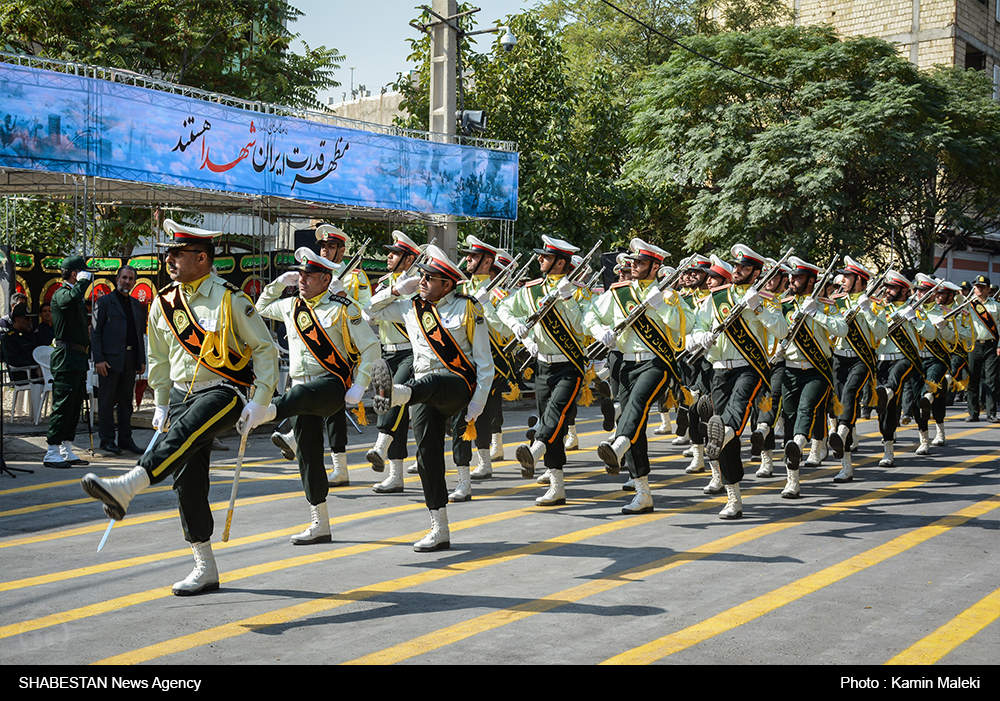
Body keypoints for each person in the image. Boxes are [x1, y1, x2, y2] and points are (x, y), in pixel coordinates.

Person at [81, 219, 279, 595]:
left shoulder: (230, 298)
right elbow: (157, 354)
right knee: (187, 483)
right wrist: (159, 399)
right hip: (183, 397)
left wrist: (261, 399)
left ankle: (128, 485)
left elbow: (265, 348)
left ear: (202, 258)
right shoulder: (164, 301)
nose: (169, 259)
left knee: (183, 433)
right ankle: (204, 567)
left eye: (177, 253)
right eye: (168, 253)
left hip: (226, 390)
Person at [366, 245, 494, 551]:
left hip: (456, 385)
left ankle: (396, 394)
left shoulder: (467, 308)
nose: (422, 281)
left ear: (447, 284)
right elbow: (368, 311)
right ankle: (440, 527)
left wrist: (476, 405)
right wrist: (396, 289)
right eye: (421, 275)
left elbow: (484, 362)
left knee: (433, 381)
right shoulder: (411, 307)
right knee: (427, 456)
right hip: (420, 388)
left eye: (429, 277)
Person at [256, 247, 379, 544]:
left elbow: (371, 347)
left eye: (308, 275)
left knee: (300, 396)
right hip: (299, 388)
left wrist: (360, 386)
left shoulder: (342, 307)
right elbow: (260, 307)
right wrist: (278, 283)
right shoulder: (290, 306)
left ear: (326, 279)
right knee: (309, 456)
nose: (302, 279)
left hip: (330, 384)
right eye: (299, 274)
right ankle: (320, 523)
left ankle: (269, 411)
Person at [587, 238, 683, 514]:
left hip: (655, 363)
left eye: (641, 263)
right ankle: (643, 493)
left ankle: (617, 446)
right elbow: (590, 316)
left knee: (637, 406)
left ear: (655, 267)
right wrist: (599, 332)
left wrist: (662, 306)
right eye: (635, 262)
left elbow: (681, 327)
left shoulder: (667, 295)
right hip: (626, 364)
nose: (635, 266)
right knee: (634, 423)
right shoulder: (620, 293)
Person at [690, 248, 788, 517]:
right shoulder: (716, 298)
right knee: (724, 436)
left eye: (743, 268)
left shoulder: (765, 300)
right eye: (736, 266)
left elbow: (781, 330)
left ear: (756, 273)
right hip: (720, 370)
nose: (736, 270)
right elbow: (698, 326)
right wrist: (701, 337)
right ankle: (734, 497)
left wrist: (757, 306)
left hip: (750, 368)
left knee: (731, 419)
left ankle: (737, 436)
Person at [496, 235, 588, 507]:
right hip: (543, 364)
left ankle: (535, 450)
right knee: (555, 425)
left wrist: (569, 299)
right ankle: (557, 485)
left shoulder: (578, 291)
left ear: (561, 262)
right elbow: (503, 308)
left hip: (569, 364)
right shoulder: (531, 290)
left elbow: (582, 327)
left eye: (545, 257)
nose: (539, 260)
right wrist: (517, 327)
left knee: (555, 413)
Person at [773, 256, 846, 497]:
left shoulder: (826, 305)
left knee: (807, 409)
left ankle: (802, 444)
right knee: (790, 417)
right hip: (790, 369)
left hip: (817, 369)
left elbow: (842, 329)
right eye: (791, 277)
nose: (792, 280)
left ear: (812, 280)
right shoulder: (782, 305)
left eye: (798, 277)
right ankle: (792, 480)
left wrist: (817, 314)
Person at [363, 230, 422, 494]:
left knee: (392, 400)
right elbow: (369, 309)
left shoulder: (420, 284)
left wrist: (398, 293)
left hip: (411, 352)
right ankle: (395, 476)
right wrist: (395, 290)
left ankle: (380, 445)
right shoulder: (389, 282)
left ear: (409, 259)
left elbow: (407, 314)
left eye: (395, 253)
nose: (389, 256)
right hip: (387, 352)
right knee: (395, 409)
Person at [826, 257, 885, 483]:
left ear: (860, 280)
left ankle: (841, 433)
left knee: (850, 393)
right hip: (840, 359)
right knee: (841, 402)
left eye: (849, 277)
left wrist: (867, 310)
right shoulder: (836, 301)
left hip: (861, 359)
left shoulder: (874, 304)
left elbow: (881, 332)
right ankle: (846, 467)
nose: (844, 279)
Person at [873, 271, 934, 467]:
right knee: (885, 409)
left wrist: (914, 319)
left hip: (905, 360)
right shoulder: (879, 307)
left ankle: (910, 444)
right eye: (888, 287)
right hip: (882, 361)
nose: (888, 291)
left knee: (906, 397)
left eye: (892, 288)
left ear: (904, 290)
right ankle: (887, 446)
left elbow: (931, 334)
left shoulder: (915, 309)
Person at [43, 256, 96, 469]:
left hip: (77, 358)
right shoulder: (61, 293)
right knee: (62, 405)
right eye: (83, 272)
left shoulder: (74, 294)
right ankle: (51, 451)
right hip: (65, 358)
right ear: (75, 273)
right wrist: (82, 282)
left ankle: (66, 448)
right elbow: (71, 299)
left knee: (74, 406)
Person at [92, 265, 146, 455]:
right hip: (109, 360)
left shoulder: (135, 304)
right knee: (106, 401)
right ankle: (106, 440)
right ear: (117, 279)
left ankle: (125, 439)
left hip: (130, 359)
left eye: (131, 279)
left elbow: (139, 334)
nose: (127, 282)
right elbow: (96, 332)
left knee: (126, 401)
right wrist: (98, 359)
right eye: (124, 278)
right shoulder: (105, 302)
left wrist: (141, 359)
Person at [966, 274, 999, 423]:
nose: (979, 289)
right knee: (973, 379)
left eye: (982, 287)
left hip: (991, 345)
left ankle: (991, 413)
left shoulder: (996, 305)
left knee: (991, 380)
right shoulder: (968, 304)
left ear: (988, 289)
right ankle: (973, 412)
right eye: (977, 287)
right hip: (974, 345)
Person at [2, 302, 40, 381]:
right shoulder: (9, 338)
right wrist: (34, 367)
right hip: (23, 375)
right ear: (17, 319)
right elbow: (14, 360)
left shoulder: (29, 336)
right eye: (27, 319)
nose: (30, 322)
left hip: (37, 373)